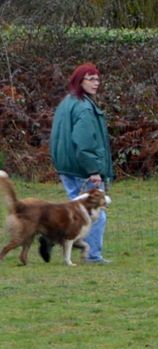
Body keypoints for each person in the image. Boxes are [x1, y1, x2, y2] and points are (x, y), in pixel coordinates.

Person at [49, 63, 114, 264]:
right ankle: (92, 255)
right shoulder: (84, 108)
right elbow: (84, 143)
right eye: (91, 79)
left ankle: (73, 246)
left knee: (74, 212)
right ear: (79, 81)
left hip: (66, 167)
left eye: (97, 79)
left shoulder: (67, 102)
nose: (96, 83)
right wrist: (93, 170)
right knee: (94, 213)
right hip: (83, 169)